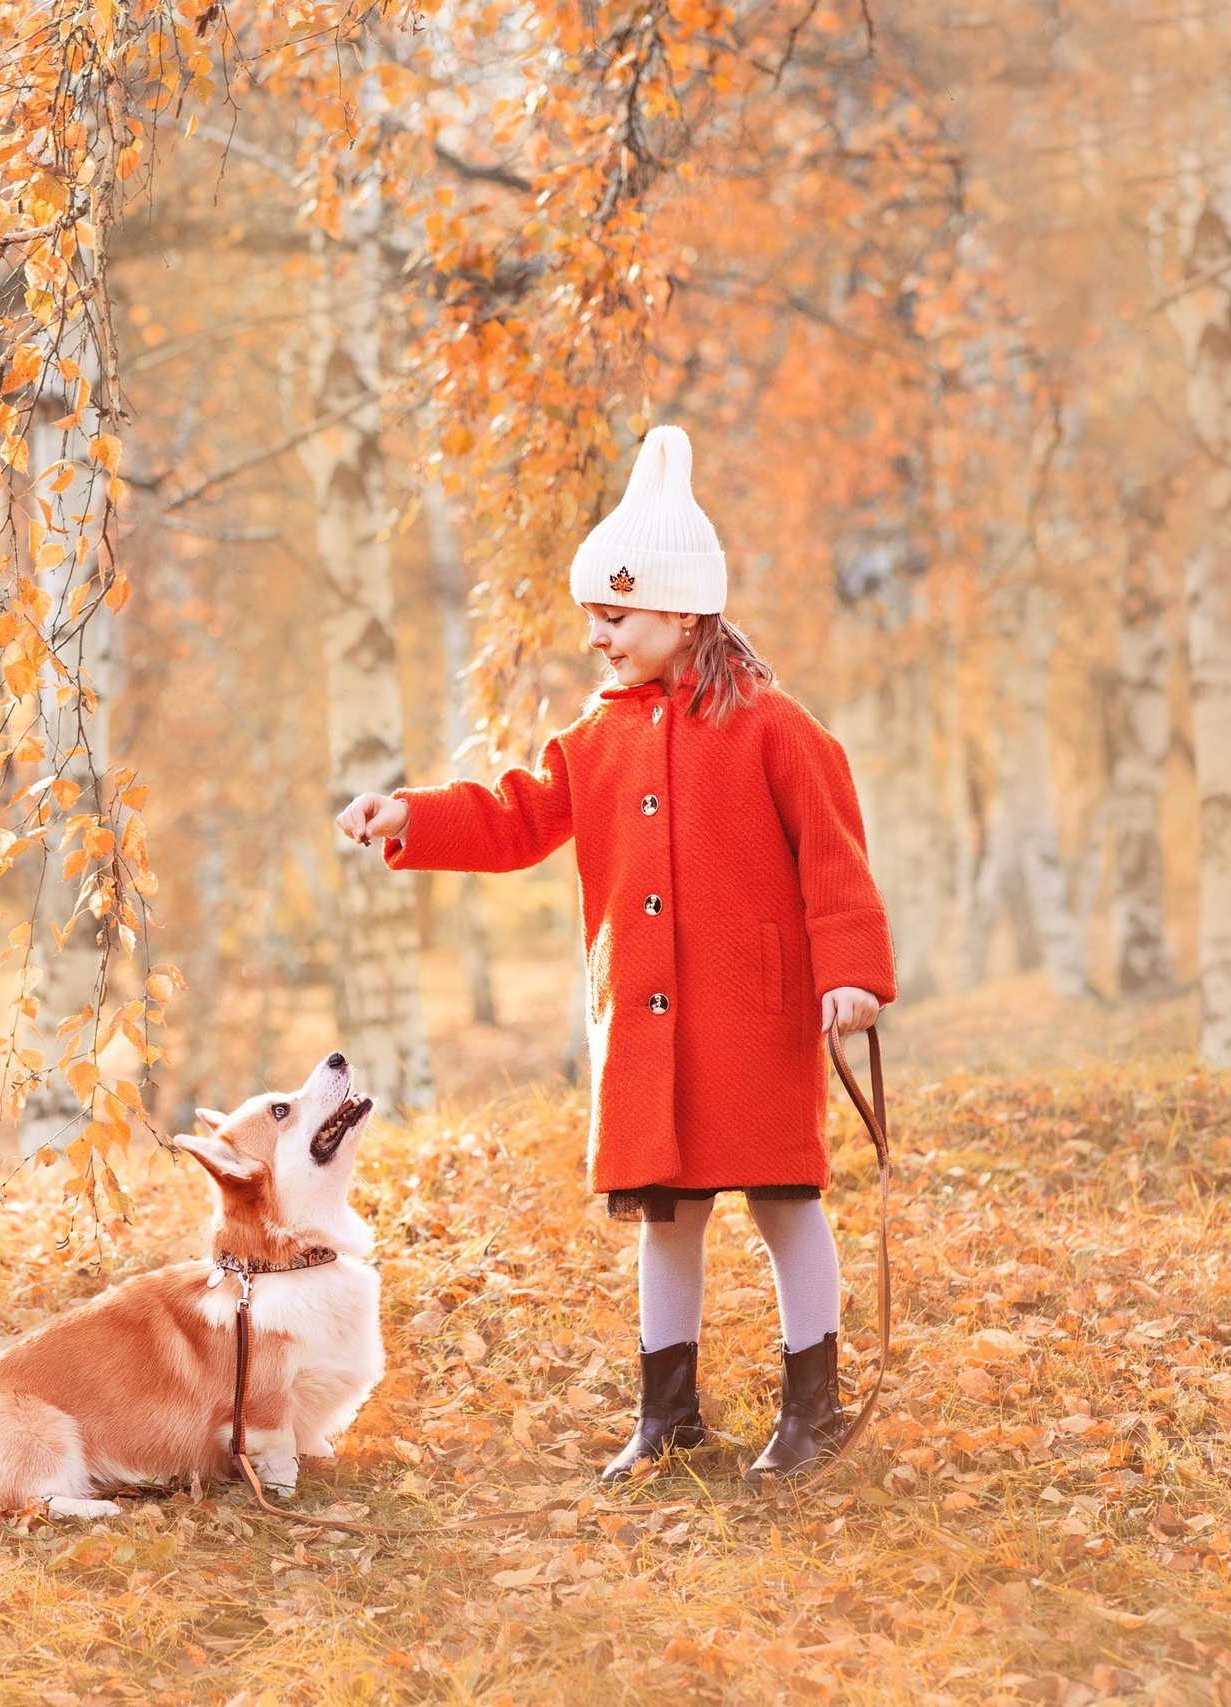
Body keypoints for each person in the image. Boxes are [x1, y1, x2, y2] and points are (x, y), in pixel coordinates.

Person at [334, 424, 895, 1483]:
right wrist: (409, 813)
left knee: (785, 1204)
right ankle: (666, 1416)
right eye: (591, 612)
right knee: (665, 1217)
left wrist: (851, 972)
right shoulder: (593, 737)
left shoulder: (775, 728)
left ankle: (809, 1414)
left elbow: (834, 854)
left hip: (752, 1016)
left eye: (616, 612)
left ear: (683, 610)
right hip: (645, 1028)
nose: (595, 633)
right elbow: (513, 816)